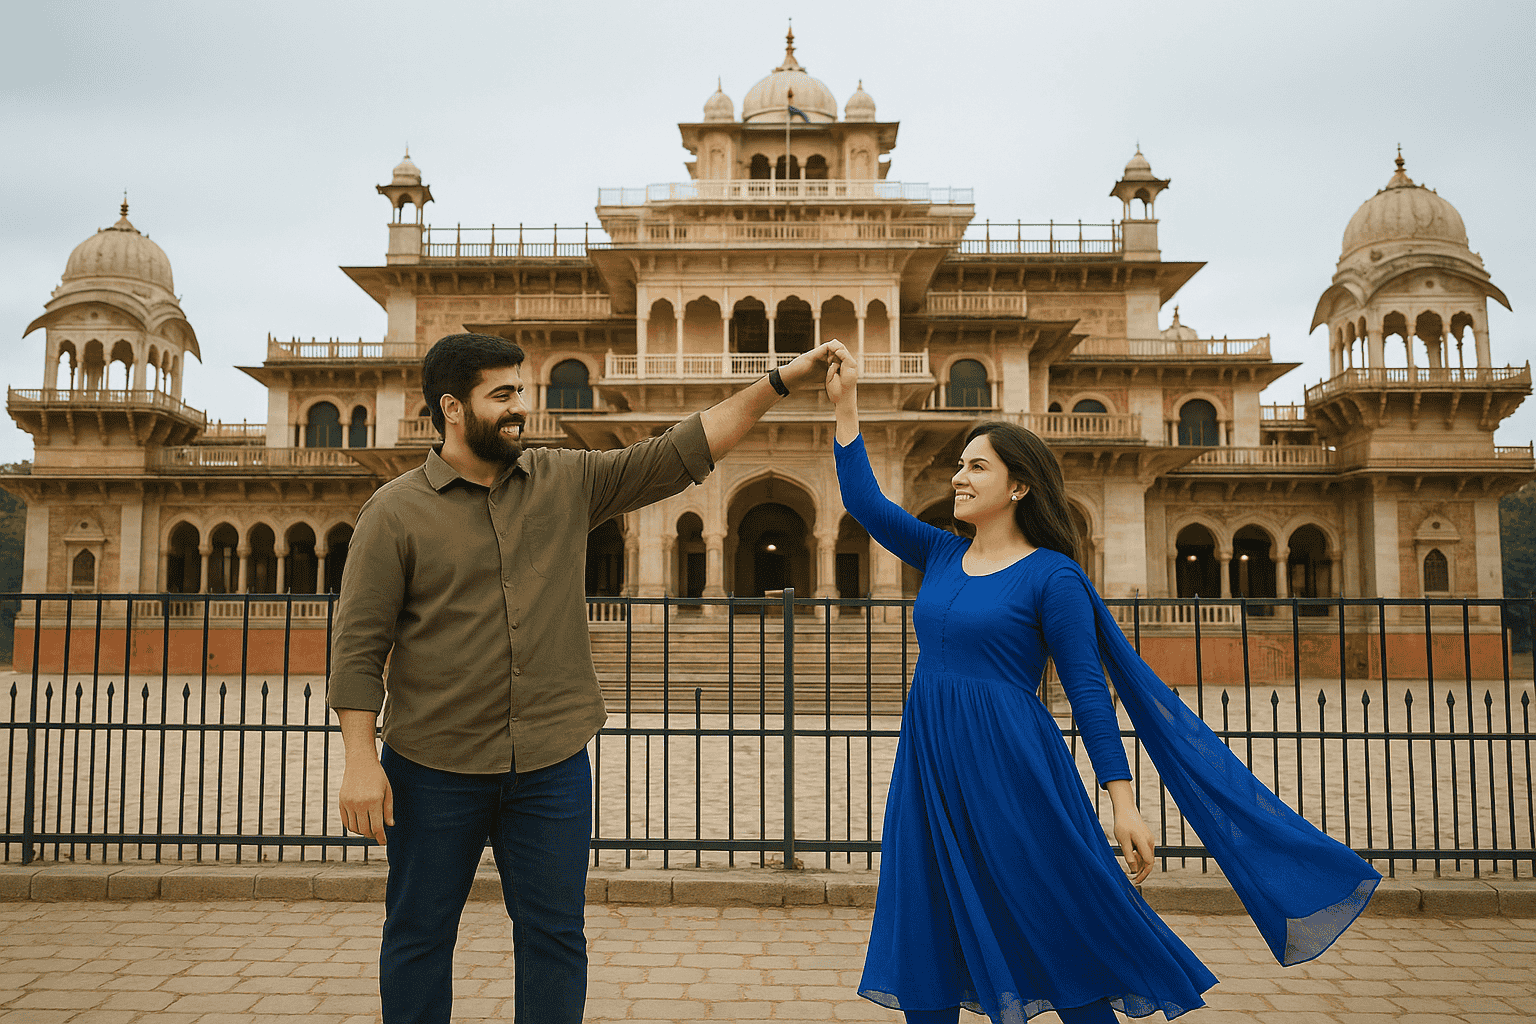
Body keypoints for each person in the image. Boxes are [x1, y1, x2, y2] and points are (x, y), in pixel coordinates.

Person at [823, 350, 1380, 1024]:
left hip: (1015, 769)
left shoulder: (1051, 577)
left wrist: (1123, 804)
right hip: (931, 770)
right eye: (959, 464)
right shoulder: (942, 553)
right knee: (927, 919)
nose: (956, 476)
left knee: (1060, 917)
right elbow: (863, 502)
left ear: (1019, 486)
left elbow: (1088, 694)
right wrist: (846, 404)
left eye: (976, 466)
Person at [328, 332, 844, 1024]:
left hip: (549, 762)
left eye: (523, 391)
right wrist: (360, 760)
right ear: (453, 408)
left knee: (555, 939)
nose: (521, 408)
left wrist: (781, 381)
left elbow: (683, 451)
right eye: (503, 394)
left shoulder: (564, 480)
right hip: (433, 764)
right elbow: (360, 644)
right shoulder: (394, 512)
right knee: (419, 936)